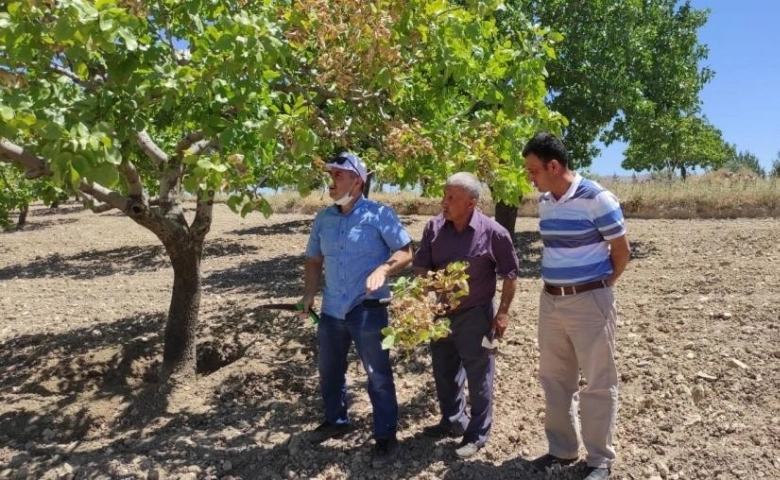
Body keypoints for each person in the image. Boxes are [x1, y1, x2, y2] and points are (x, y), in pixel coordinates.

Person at [522, 133, 631, 480]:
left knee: (598, 380)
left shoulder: (597, 198)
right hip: (551, 300)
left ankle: (599, 460)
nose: (530, 177)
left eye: (533, 170)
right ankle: (562, 450)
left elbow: (621, 251)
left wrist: (599, 288)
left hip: (589, 300)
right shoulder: (545, 201)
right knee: (554, 378)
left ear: (553, 166)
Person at [300, 151, 413, 469]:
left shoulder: (380, 214)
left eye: (339, 175)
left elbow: (406, 251)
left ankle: (386, 437)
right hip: (332, 309)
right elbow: (313, 260)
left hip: (367, 309)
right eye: (331, 174)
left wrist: (384, 270)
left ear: (357, 181)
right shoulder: (323, 218)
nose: (332, 181)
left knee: (377, 376)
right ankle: (336, 421)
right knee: (329, 371)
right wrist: (309, 294)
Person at [412, 172, 519, 459]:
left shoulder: (494, 232)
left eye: (452, 198)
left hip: (476, 316)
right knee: (444, 371)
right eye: (444, 195)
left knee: (479, 375)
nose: (444, 202)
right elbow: (421, 264)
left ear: (471, 203)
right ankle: (452, 421)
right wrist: (424, 294)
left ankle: (477, 434)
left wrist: (503, 313)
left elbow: (510, 275)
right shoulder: (434, 228)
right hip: (442, 313)